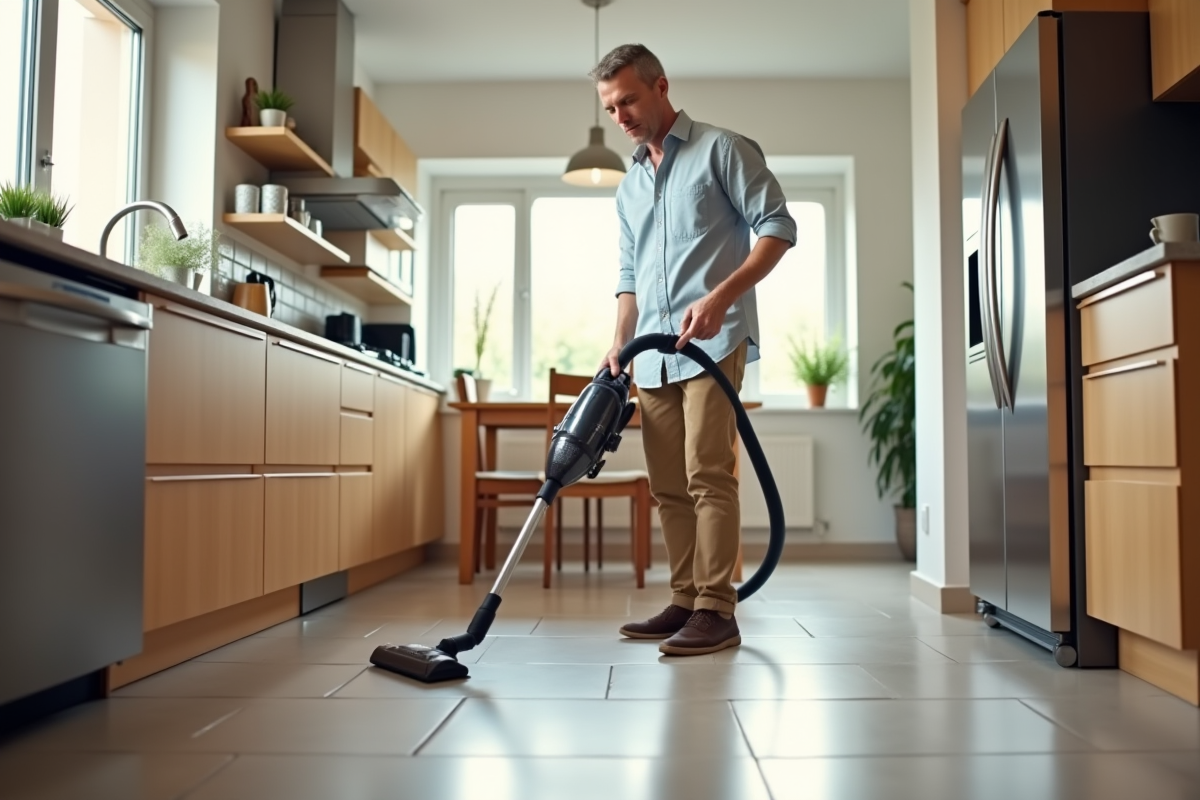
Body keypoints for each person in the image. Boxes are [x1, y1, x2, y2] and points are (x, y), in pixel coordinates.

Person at [594, 44, 796, 656]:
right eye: (610, 108)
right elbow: (628, 275)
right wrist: (620, 340)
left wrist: (719, 297)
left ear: (660, 86)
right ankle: (685, 600)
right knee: (668, 485)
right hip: (652, 355)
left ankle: (715, 609)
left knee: (708, 473)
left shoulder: (722, 150)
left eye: (629, 100)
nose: (621, 116)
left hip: (714, 339)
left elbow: (778, 227)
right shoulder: (629, 187)